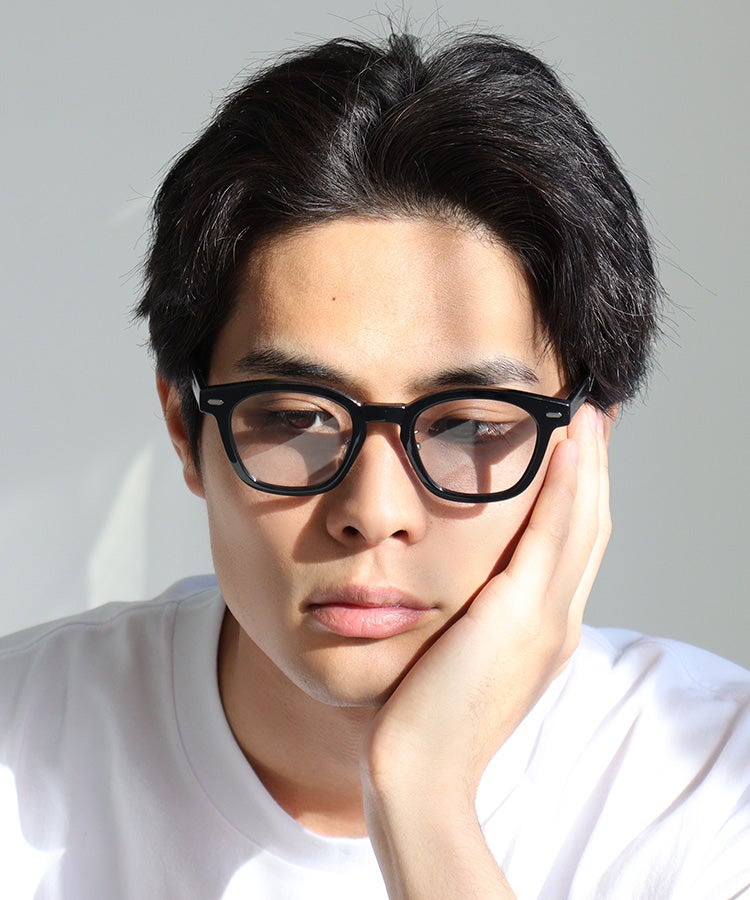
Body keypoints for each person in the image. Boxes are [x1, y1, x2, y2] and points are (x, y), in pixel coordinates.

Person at [1, 29, 748, 900]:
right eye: (297, 417)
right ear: (183, 424)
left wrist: (424, 799)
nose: (375, 509)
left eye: (468, 426)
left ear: (584, 452)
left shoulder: (709, 784)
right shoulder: (21, 745)